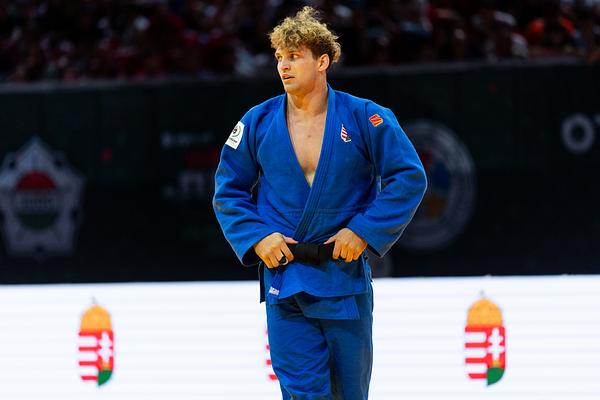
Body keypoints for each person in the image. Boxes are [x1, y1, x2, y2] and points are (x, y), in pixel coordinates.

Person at [213, 6, 426, 399]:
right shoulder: (257, 122)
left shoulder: (365, 117)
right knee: (303, 395)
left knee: (349, 393)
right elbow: (228, 190)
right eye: (279, 57)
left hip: (343, 276)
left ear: (322, 61)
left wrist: (364, 231)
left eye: (294, 56)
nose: (283, 65)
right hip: (286, 280)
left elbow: (408, 177)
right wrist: (257, 237)